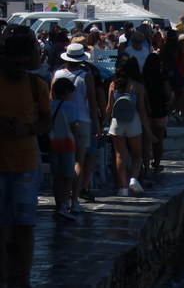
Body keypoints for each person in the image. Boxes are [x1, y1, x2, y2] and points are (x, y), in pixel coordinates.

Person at [0, 25, 49, 286]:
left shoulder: (36, 86)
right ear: (5, 60)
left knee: (25, 225)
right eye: (15, 63)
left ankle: (25, 277)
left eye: (23, 63)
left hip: (26, 166)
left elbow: (46, 123)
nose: (20, 68)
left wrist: (28, 129)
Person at [51, 43, 99, 214]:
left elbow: (52, 97)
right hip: (83, 120)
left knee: (61, 161)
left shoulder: (57, 74)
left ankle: (61, 201)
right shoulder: (86, 76)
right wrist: (97, 123)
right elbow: (92, 102)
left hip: (60, 121)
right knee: (78, 160)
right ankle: (74, 199)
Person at [105, 55, 154, 197]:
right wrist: (149, 131)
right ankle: (133, 178)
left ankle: (124, 187)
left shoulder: (113, 84)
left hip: (117, 122)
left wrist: (103, 123)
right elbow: (142, 110)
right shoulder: (138, 86)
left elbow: (109, 108)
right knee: (137, 155)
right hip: (133, 121)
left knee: (120, 155)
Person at [48, 77, 79, 222]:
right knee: (68, 176)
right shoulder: (70, 106)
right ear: (67, 92)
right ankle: (64, 205)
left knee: (57, 176)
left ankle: (57, 204)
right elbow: (74, 126)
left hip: (53, 144)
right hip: (68, 144)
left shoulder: (50, 105)